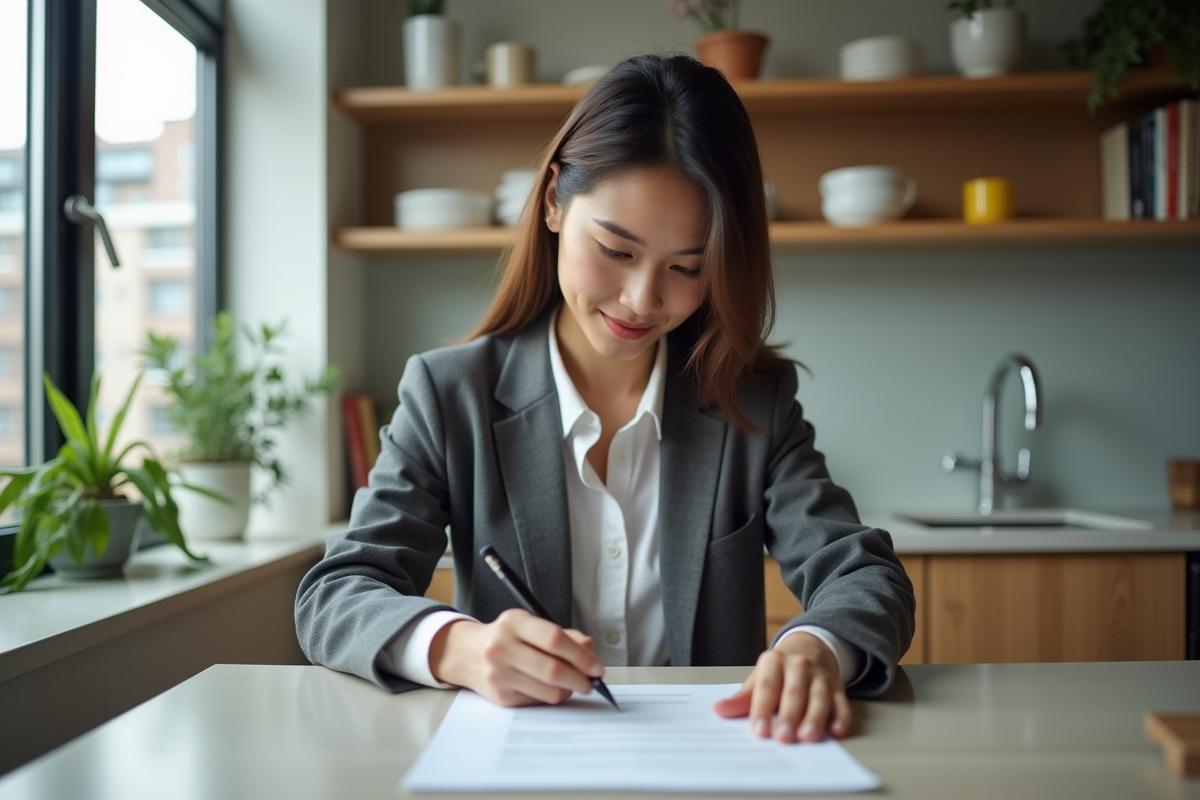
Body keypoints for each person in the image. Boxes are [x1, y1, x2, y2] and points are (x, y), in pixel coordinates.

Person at [296, 53, 914, 745]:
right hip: (523, 770)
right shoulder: (450, 395)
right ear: (555, 199)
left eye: (687, 268)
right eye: (617, 251)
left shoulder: (754, 407)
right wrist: (459, 648)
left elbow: (864, 576)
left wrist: (817, 650)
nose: (643, 300)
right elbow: (336, 593)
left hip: (710, 768)